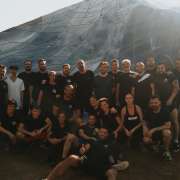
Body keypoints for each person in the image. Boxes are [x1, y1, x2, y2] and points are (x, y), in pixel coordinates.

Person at [44, 128, 129, 180]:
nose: (102, 133)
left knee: (112, 172)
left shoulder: (112, 144)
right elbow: (84, 150)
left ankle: (116, 166)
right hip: (86, 161)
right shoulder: (93, 141)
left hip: (101, 168)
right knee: (72, 157)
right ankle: (48, 178)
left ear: (108, 134)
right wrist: (83, 151)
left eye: (104, 132)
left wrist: (114, 163)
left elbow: (115, 157)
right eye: (101, 132)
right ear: (98, 133)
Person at [154, 63, 180, 152]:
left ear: (165, 68)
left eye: (162, 68)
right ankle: (163, 141)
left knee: (175, 121)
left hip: (171, 103)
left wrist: (171, 99)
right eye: (159, 68)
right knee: (163, 123)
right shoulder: (156, 76)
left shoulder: (170, 75)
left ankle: (176, 140)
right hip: (161, 104)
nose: (160, 69)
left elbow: (176, 88)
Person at [143, 96, 172, 160]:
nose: (153, 104)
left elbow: (168, 125)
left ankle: (166, 151)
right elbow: (144, 122)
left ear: (160, 103)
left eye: (156, 102)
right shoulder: (148, 110)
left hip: (161, 131)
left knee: (167, 132)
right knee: (145, 140)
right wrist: (145, 129)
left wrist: (154, 129)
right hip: (152, 132)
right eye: (151, 103)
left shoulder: (165, 111)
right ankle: (155, 144)